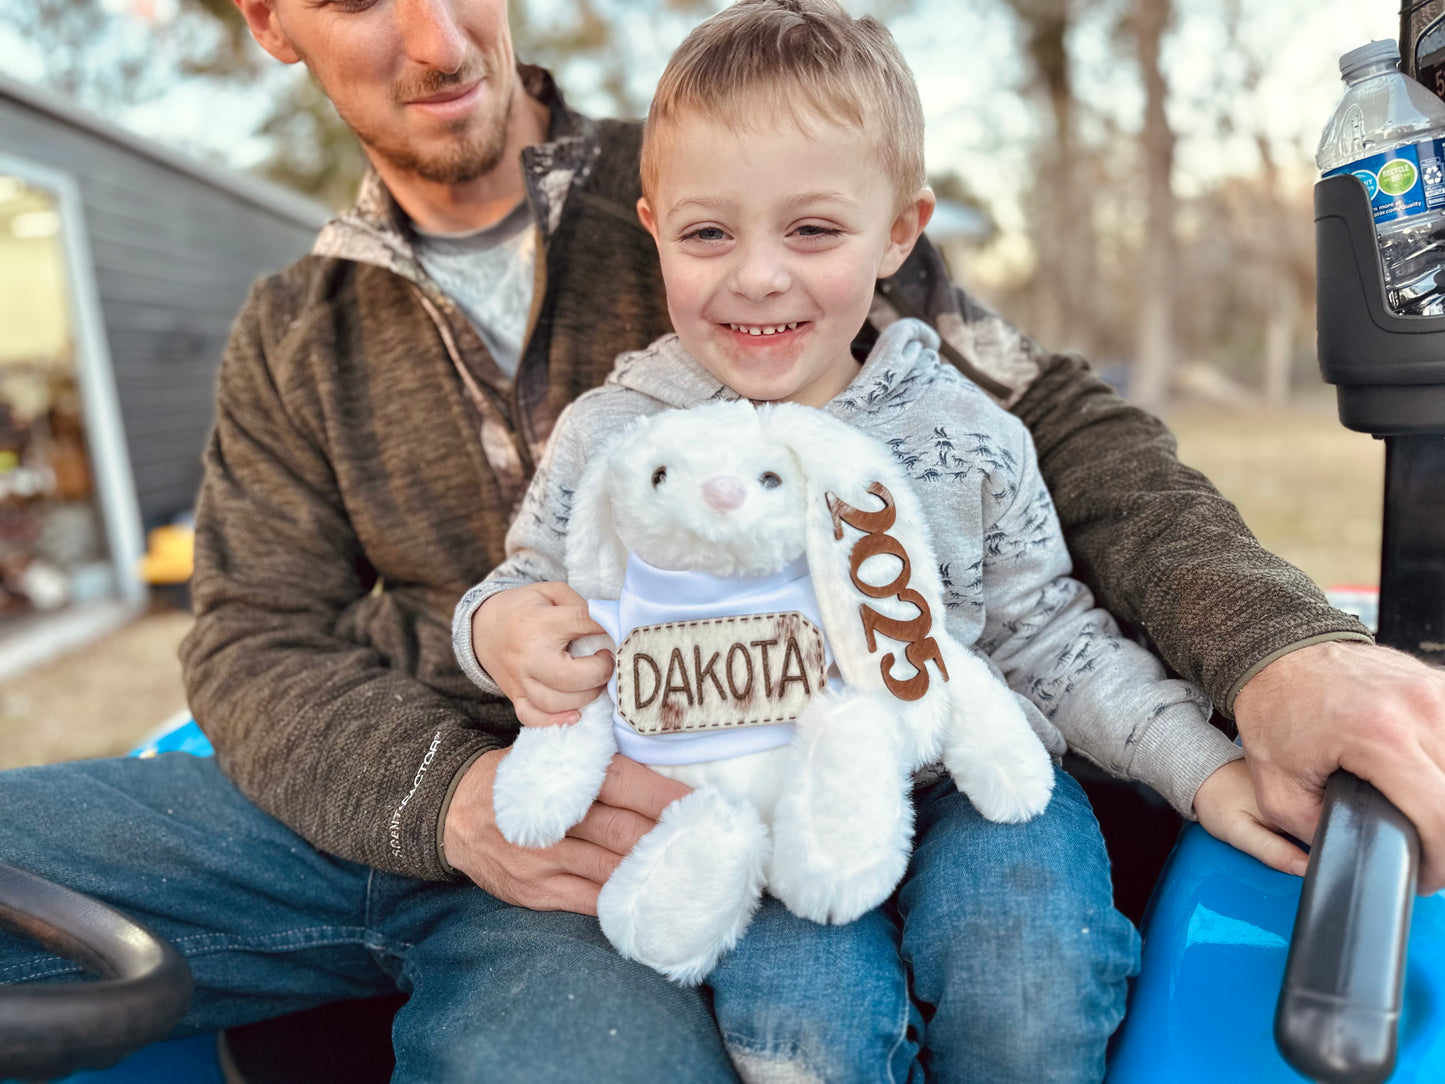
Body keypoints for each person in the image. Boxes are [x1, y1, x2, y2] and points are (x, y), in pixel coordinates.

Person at [0, 0, 1438, 1078]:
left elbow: (1057, 433)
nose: (439, 38)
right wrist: (448, 790)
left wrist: (1275, 645)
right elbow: (250, 634)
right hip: (415, 779)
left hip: (687, 806)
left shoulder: (747, 156)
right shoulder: (290, 331)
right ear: (271, 24)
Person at [452, 4, 1303, 1076]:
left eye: (812, 231)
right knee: (804, 1027)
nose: (758, 275)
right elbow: (522, 587)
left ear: (900, 232)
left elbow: (1051, 637)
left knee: (1030, 975)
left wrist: (1202, 772)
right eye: (709, 233)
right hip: (750, 805)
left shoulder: (963, 435)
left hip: (961, 770)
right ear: (653, 225)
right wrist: (501, 636)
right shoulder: (616, 439)